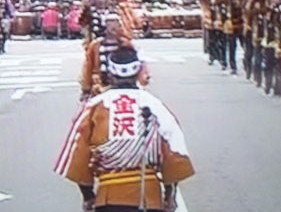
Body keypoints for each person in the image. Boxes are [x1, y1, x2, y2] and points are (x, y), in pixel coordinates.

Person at [55, 46, 194, 211]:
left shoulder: (93, 107)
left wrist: (88, 196)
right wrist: (169, 195)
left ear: (110, 75)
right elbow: (175, 152)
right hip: (148, 197)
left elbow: (77, 156)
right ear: (137, 73)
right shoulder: (155, 106)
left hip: (109, 199)